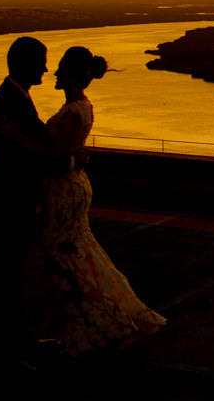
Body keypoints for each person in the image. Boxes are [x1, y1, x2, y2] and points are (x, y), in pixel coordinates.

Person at [40, 46, 167, 356]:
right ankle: (97, 323)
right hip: (72, 186)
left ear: (71, 75)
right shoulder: (81, 107)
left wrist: (19, 140)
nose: (54, 73)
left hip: (64, 189)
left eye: (59, 69)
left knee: (66, 259)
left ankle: (98, 325)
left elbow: (57, 160)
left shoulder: (73, 112)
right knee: (82, 255)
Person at [0, 36, 64, 369]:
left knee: (9, 276)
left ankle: (19, 343)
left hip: (13, 199)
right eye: (40, 61)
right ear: (22, 64)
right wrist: (65, 160)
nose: (46, 68)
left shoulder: (17, 98)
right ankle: (10, 350)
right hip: (9, 201)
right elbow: (23, 153)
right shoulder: (7, 103)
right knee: (6, 278)